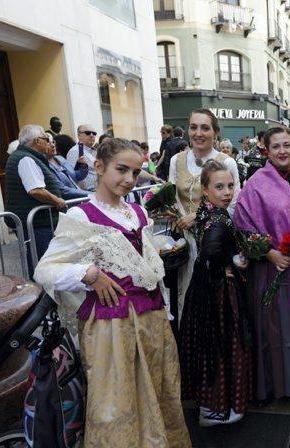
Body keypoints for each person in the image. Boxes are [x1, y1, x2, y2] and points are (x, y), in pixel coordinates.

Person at [33, 138, 191, 447]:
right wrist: (89, 274)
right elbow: (45, 269)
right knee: (116, 403)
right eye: (121, 170)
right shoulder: (82, 216)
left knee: (160, 391)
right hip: (112, 325)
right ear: (98, 166)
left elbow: (142, 261)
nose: (129, 180)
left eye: (135, 172)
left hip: (152, 319)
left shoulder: (138, 213)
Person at [234, 126, 290, 400]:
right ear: (267, 150)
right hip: (277, 265)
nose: (282, 151)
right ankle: (283, 384)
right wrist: (268, 253)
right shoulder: (257, 183)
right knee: (281, 325)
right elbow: (243, 225)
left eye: (287, 145)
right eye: (276, 147)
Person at [179, 160, 251, 426]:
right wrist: (229, 266)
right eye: (219, 187)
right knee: (221, 344)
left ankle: (209, 404)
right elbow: (209, 252)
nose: (227, 192)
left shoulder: (206, 212)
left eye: (230, 186)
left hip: (204, 287)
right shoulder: (218, 218)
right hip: (218, 291)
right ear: (205, 189)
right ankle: (216, 408)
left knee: (210, 344)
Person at [169, 109, 242, 317]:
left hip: (214, 240)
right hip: (184, 241)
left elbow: (234, 203)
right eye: (193, 127)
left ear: (215, 132)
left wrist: (199, 216)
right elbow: (172, 195)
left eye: (205, 128)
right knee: (188, 295)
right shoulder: (177, 160)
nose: (198, 133)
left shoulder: (227, 162)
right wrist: (173, 214)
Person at [5, 125, 66, 268]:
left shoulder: (27, 157)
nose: (49, 143)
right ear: (38, 140)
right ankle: (41, 290)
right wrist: (57, 201)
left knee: (40, 259)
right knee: (42, 262)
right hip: (37, 223)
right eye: (46, 139)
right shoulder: (26, 159)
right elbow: (36, 190)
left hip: (37, 221)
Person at [45, 132, 91, 199]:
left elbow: (76, 176)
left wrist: (83, 166)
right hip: (69, 202)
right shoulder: (44, 164)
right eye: (48, 143)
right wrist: (92, 194)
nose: (52, 145)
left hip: (80, 197)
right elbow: (64, 191)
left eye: (53, 142)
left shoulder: (60, 158)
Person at [66, 124, 98, 191]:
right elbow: (72, 177)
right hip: (88, 193)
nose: (92, 135)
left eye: (94, 133)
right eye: (87, 133)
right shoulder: (75, 151)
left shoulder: (95, 150)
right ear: (79, 135)